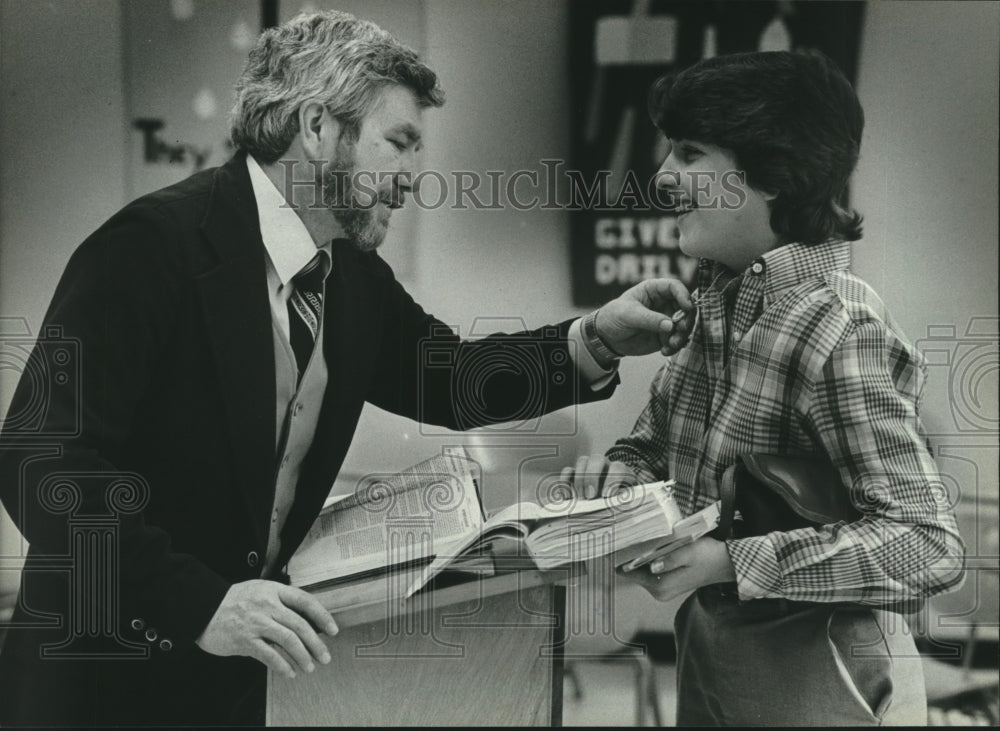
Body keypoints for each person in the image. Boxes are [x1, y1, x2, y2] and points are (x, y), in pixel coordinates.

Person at [0, 11, 695, 727]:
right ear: (315, 127)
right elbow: (38, 459)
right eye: (399, 142)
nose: (413, 179)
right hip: (99, 677)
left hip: (235, 681)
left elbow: (449, 375)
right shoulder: (150, 247)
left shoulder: (350, 274)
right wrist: (198, 601)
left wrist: (596, 338)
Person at [560, 50, 966, 726]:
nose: (662, 177)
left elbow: (926, 543)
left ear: (773, 176)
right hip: (713, 656)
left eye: (689, 154)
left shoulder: (839, 327)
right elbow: (653, 447)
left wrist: (728, 561)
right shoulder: (712, 305)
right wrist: (617, 496)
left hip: (823, 676)